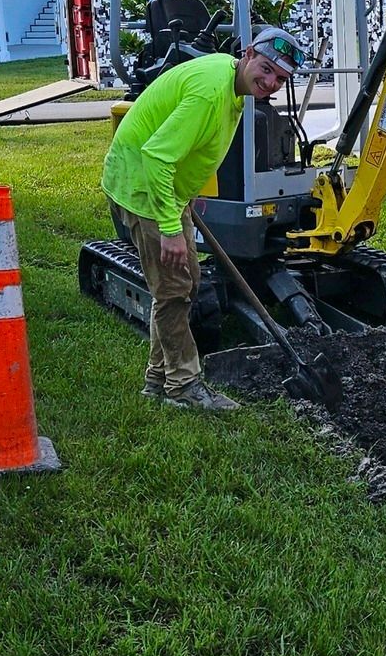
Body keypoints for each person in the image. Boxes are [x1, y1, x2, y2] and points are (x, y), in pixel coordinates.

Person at [102, 25, 301, 410]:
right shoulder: (211, 93)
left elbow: (193, 151)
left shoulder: (233, 86)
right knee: (173, 289)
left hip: (169, 190)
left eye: (280, 78)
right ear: (246, 55)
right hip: (143, 186)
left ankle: (158, 381)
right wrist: (172, 229)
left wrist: (186, 199)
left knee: (185, 283)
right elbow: (157, 156)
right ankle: (184, 386)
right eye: (265, 68)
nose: (271, 82)